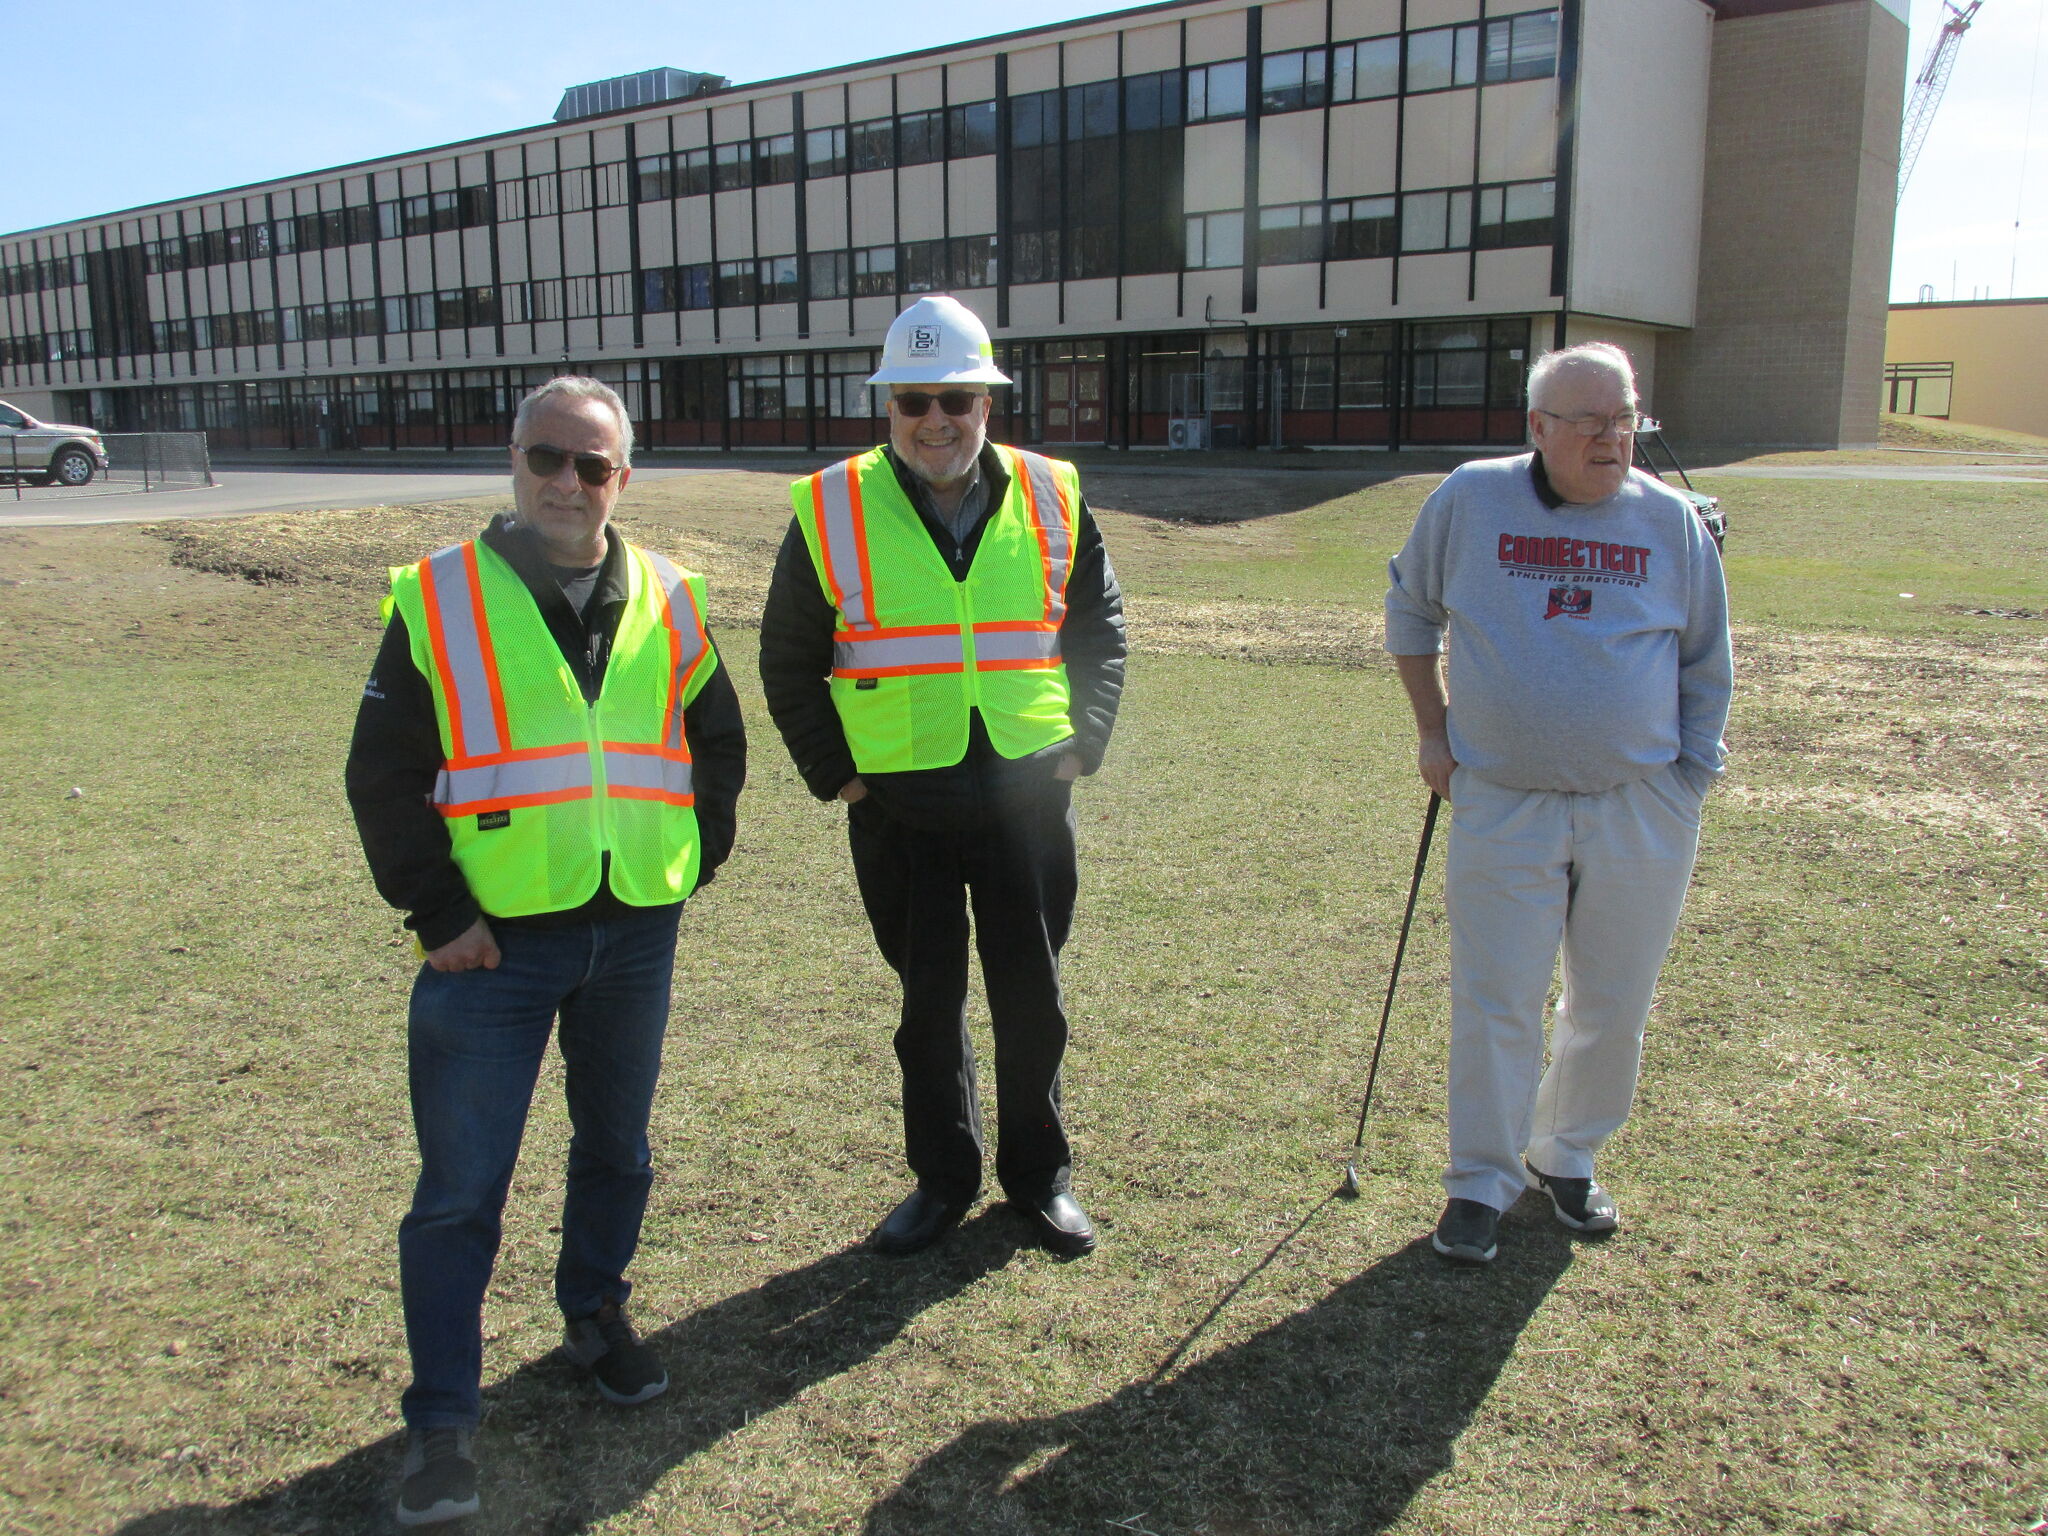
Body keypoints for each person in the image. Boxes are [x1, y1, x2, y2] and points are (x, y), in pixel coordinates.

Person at [345, 376, 746, 1526]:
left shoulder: (670, 592)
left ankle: (593, 1313)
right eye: (546, 460)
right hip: (492, 950)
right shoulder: (437, 598)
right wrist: (437, 916)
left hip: (632, 930)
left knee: (617, 1149)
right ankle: (441, 1423)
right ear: (512, 462)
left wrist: (688, 860)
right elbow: (379, 777)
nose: (567, 484)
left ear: (624, 477)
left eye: (594, 466)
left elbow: (715, 740)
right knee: (459, 1195)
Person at [759, 295, 1127, 1260]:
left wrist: (1085, 738)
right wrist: (839, 777)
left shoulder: (1054, 492)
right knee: (927, 1008)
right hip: (899, 807)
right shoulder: (831, 506)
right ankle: (942, 1179)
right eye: (915, 398)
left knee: (1031, 999)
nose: (937, 419)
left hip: (1028, 800)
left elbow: (1098, 628)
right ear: (888, 406)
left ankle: (1040, 1178)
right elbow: (787, 657)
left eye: (957, 399)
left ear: (987, 404)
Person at [1383, 342, 1731, 1265]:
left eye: (1626, 419)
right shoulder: (1469, 498)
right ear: (1537, 428)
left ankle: (1566, 1154)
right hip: (1503, 798)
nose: (1612, 439)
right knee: (1496, 999)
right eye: (1589, 422)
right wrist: (1434, 731)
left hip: (1641, 804)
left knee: (1612, 1001)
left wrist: (1688, 776)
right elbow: (1410, 609)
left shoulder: (1674, 523)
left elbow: (1705, 657)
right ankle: (1480, 1182)